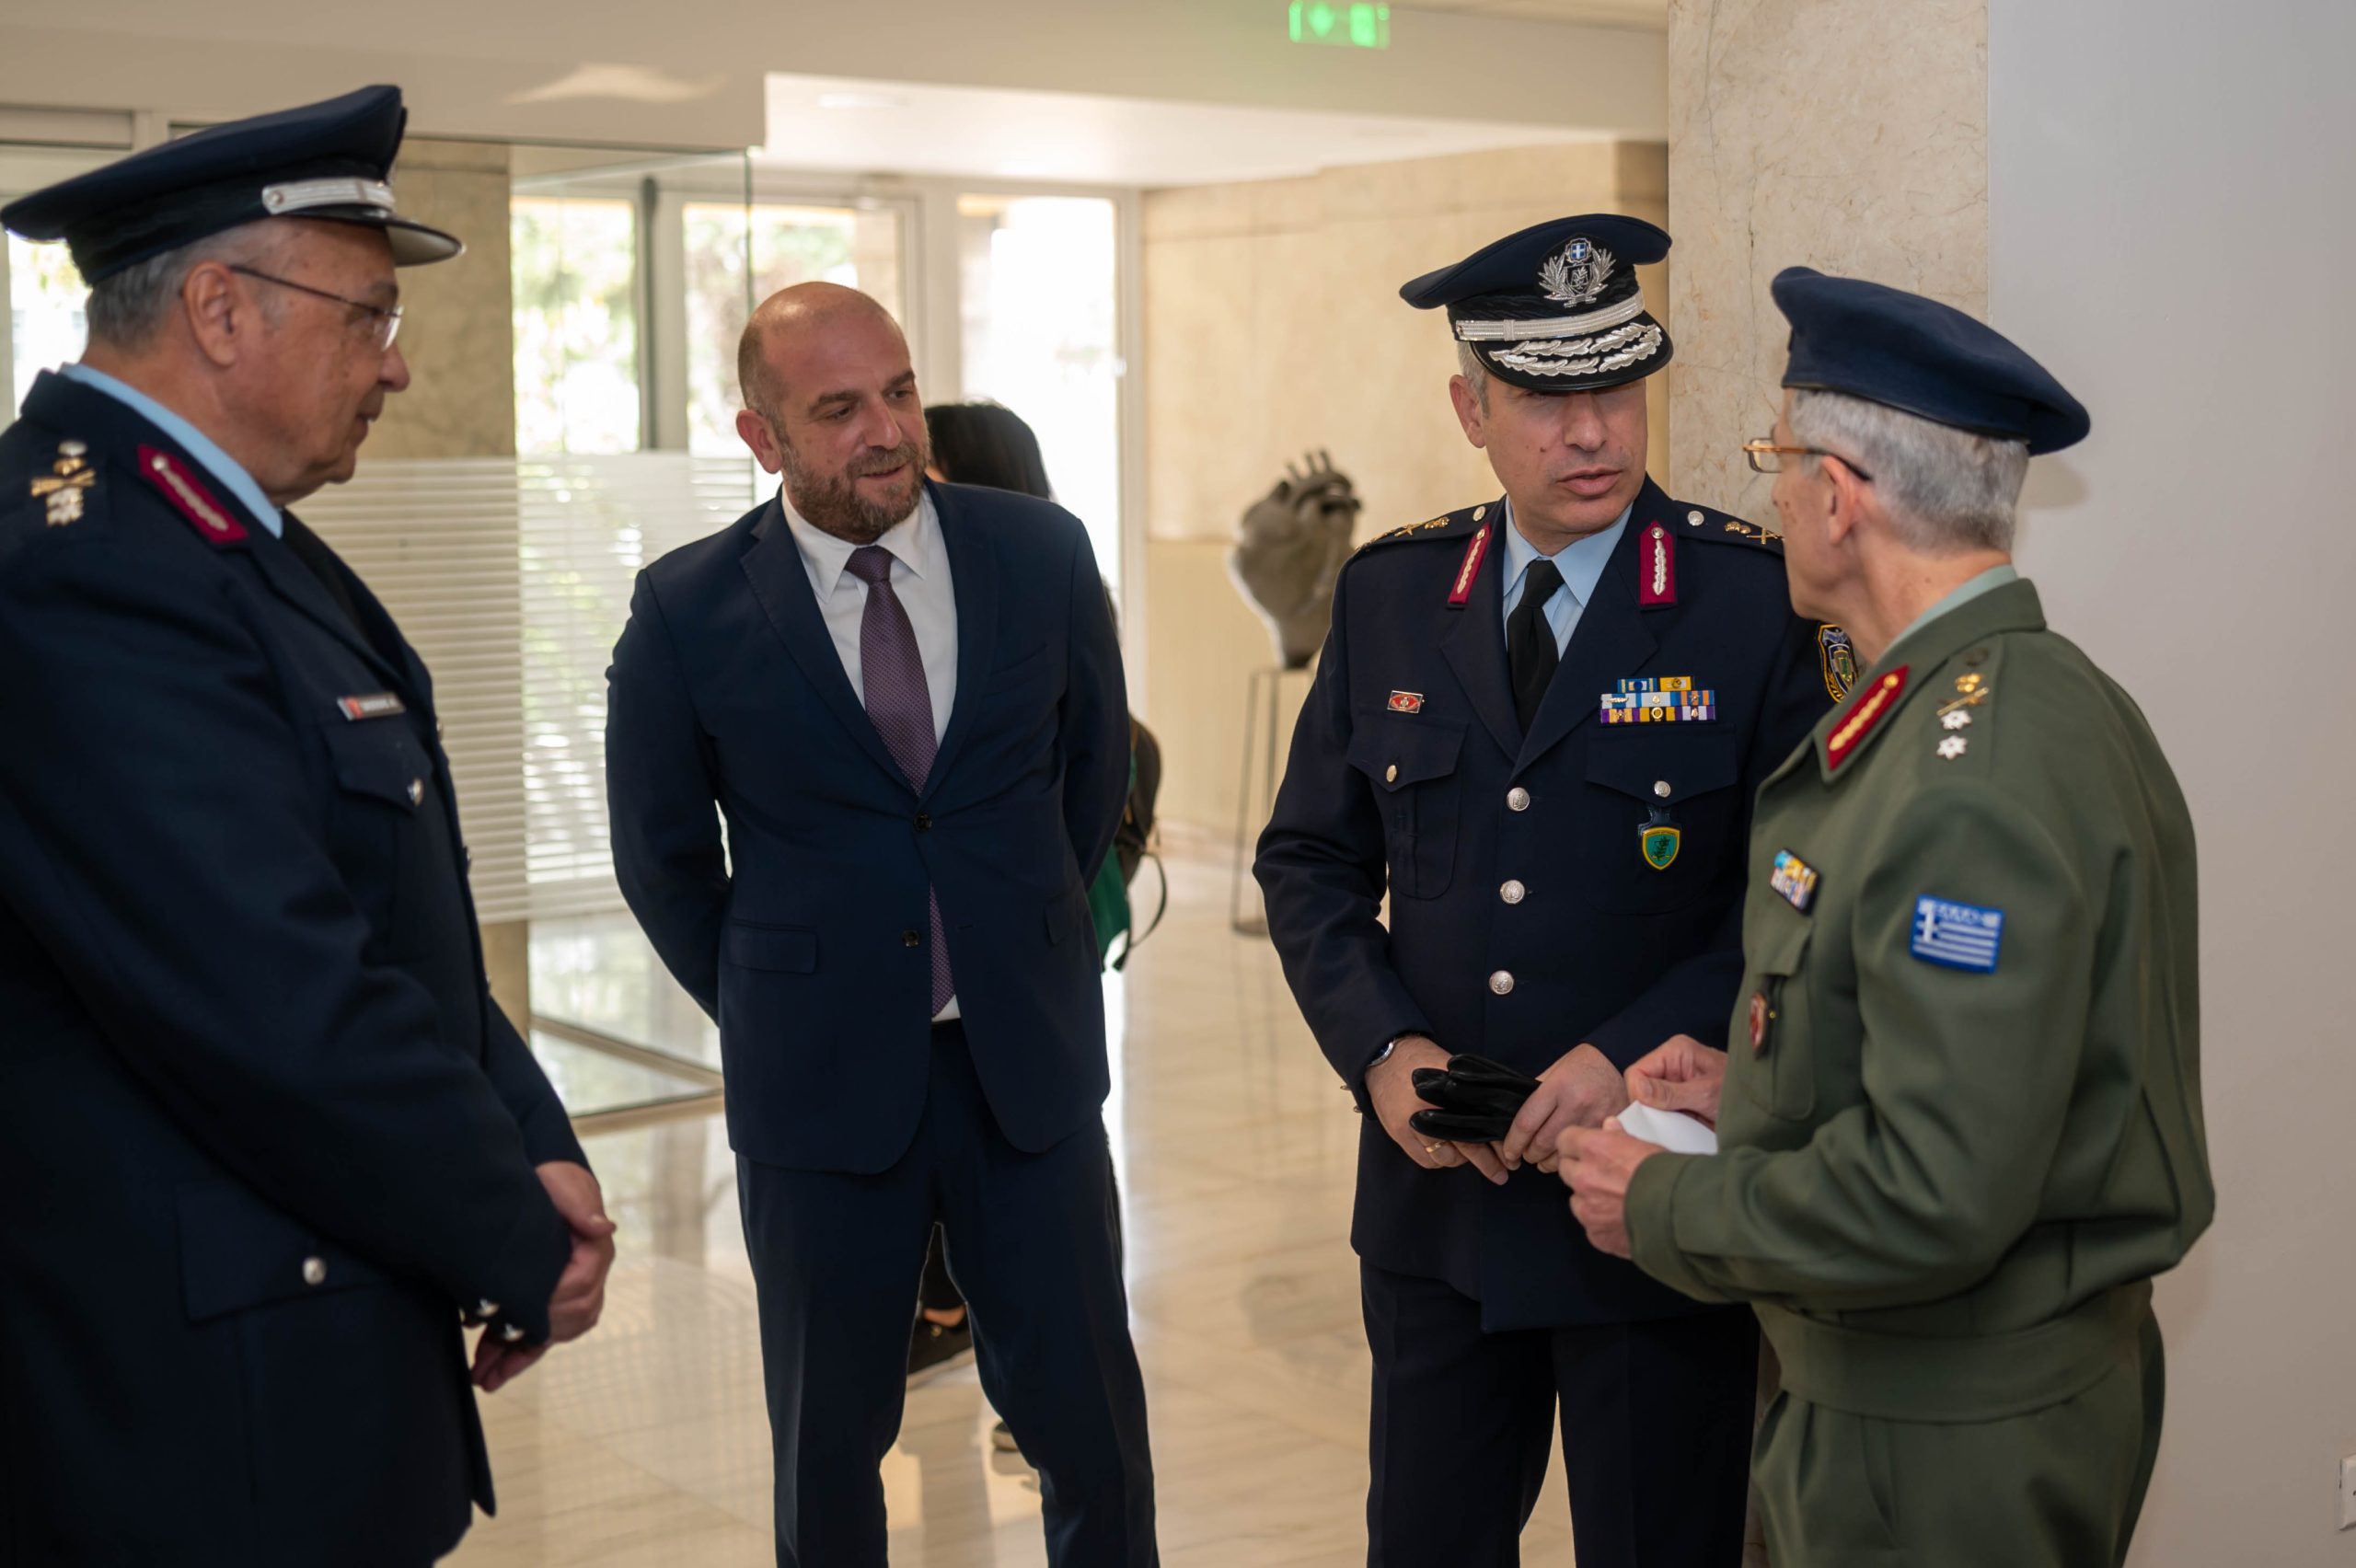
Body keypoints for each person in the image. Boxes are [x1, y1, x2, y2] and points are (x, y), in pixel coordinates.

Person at [0, 86, 613, 1567]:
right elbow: (273, 998)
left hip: (305, 1340)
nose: (396, 365)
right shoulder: (86, 568)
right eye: (370, 317)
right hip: (197, 1420)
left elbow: (393, 918)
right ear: (221, 310)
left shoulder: (229, 540)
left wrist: (536, 1144)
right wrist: (514, 1233)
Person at [1557, 268, 2212, 1566]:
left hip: (1937, 1438)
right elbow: (1984, 1076)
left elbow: (1935, 1192)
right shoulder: (2032, 703)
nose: (1774, 496)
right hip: (1949, 1402)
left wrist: (1669, 1206)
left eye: (1779, 461)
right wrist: (1755, 1095)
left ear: (1840, 497)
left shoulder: (1965, 775)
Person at [1253, 214, 1839, 1568]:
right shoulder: (1394, 595)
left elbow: (1797, 897)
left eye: (1618, 390)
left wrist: (1624, 1056)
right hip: (1437, 1204)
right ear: (1471, 409)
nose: (1593, 433)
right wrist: (1383, 1051)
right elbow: (1312, 860)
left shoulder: (1749, 603)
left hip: (1649, 1199)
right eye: (1545, 399)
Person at [605, 283, 1154, 1565]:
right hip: (818, 1089)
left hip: (1027, 1070)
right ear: (763, 437)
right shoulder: (687, 609)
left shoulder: (1040, 553)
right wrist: (778, 999)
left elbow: (1090, 782)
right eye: (839, 408)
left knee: (1091, 1432)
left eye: (899, 392)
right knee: (829, 1454)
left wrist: (1018, 940)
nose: (887, 430)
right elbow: (662, 860)